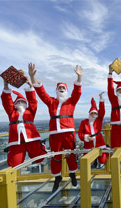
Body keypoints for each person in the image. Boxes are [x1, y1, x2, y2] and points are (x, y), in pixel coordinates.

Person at [30, 62, 82, 193]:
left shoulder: (71, 101)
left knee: (71, 154)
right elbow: (41, 93)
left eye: (63, 88)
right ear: (56, 91)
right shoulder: (51, 102)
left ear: (66, 90)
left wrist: (79, 77)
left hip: (68, 133)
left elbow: (77, 91)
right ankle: (57, 177)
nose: (61, 89)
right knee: (55, 156)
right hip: (55, 134)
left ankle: (72, 174)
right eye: (59, 88)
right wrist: (32, 78)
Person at [1, 72, 46, 167]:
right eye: (18, 102)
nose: (20, 103)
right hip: (16, 140)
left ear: (26, 104)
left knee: (39, 158)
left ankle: (41, 146)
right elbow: (7, 102)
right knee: (14, 164)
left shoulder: (30, 112)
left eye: (22, 101)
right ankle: (11, 152)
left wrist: (30, 86)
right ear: (15, 105)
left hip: (31, 138)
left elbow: (33, 101)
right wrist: (6, 86)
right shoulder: (11, 113)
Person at [78, 93, 109, 165]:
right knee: (87, 162)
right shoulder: (84, 122)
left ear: (97, 114)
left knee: (102, 161)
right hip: (88, 144)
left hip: (99, 142)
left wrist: (101, 99)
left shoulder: (99, 120)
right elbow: (80, 134)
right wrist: (86, 137)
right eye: (92, 113)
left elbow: (102, 110)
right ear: (89, 114)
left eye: (95, 113)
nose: (93, 115)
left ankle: (106, 150)